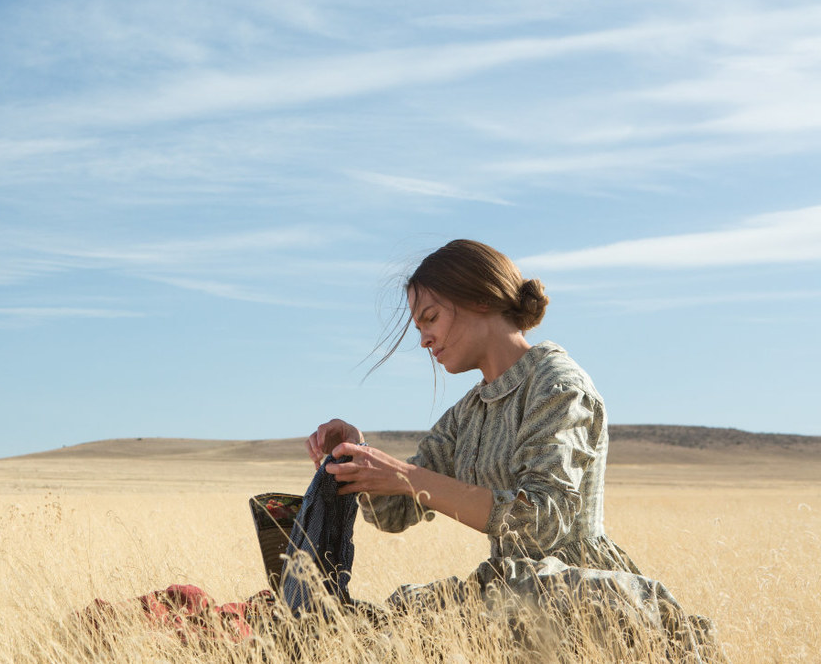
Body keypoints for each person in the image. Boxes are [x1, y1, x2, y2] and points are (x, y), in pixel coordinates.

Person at [304, 239, 722, 660]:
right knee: (389, 625)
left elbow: (542, 521)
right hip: (509, 592)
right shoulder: (467, 413)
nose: (424, 340)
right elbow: (395, 513)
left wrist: (406, 476)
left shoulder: (558, 385)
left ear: (480, 299)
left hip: (578, 599)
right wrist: (356, 456)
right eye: (418, 327)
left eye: (430, 318)